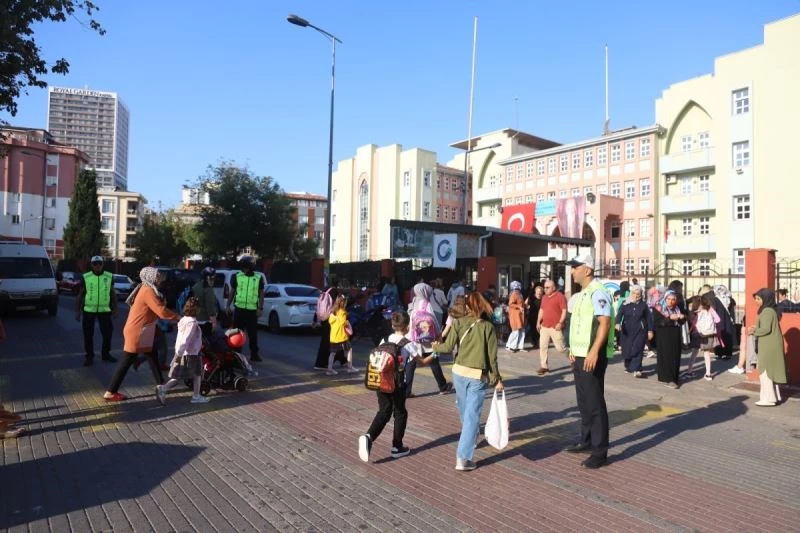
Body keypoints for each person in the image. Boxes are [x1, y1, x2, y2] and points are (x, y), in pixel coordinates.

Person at [432, 291, 503, 472]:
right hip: (477, 376)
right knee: (471, 416)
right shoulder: (488, 327)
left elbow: (448, 347)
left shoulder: (459, 322)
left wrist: (435, 347)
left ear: (469, 305)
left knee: (465, 411)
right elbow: (492, 358)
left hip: (458, 373)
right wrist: (496, 379)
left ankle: (471, 438)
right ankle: (463, 458)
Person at [563, 253, 614, 469]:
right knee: (584, 401)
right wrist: (573, 350)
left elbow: (604, 323)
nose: (572, 271)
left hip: (592, 355)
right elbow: (578, 326)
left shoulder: (597, 292)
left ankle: (600, 451)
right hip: (580, 354)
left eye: (576, 266)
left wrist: (593, 352)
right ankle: (586, 440)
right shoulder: (582, 294)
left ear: (588, 269)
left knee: (594, 403)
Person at [103, 267, 180, 401]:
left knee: (152, 355)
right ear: (150, 277)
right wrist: (179, 317)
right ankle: (110, 391)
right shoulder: (147, 291)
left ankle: (161, 385)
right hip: (137, 332)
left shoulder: (147, 288)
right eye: (157, 276)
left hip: (143, 330)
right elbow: (161, 311)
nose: (159, 278)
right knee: (126, 361)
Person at [358, 311, 421, 463]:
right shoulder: (408, 344)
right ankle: (397, 447)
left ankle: (368, 436)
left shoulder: (384, 340)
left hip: (381, 381)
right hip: (397, 384)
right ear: (407, 327)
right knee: (400, 413)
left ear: (392, 325)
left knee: (384, 411)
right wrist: (434, 354)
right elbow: (422, 361)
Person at [156, 297, 210, 405]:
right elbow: (186, 339)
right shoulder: (192, 323)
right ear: (196, 309)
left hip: (183, 352)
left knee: (179, 376)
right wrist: (180, 353)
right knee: (197, 374)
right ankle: (195, 396)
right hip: (191, 354)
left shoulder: (184, 320)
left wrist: (178, 353)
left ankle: (164, 388)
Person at [405, 282, 452, 397]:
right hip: (428, 339)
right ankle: (443, 387)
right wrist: (438, 335)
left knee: (411, 364)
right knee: (434, 362)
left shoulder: (413, 302)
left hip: (414, 339)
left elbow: (410, 320)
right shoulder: (427, 303)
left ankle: (406, 391)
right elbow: (433, 320)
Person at [747, 289, 788, 406]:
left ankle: (769, 399)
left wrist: (753, 330)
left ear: (765, 299)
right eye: (756, 298)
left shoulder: (767, 311)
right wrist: (756, 328)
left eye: (759, 299)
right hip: (770, 344)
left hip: (768, 345)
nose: (756, 301)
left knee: (766, 372)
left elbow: (765, 329)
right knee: (768, 372)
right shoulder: (769, 310)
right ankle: (770, 397)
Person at [75, 255, 118, 366]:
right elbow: (80, 295)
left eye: (99, 263)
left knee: (108, 333)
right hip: (89, 311)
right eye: (95, 263)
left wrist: (115, 308)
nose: (97, 265)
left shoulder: (109, 276)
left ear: (102, 264)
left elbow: (112, 293)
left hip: (104, 310)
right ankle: (89, 357)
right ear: (91, 265)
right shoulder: (86, 277)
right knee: (88, 335)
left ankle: (106, 354)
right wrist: (77, 311)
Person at [226, 255, 264, 363]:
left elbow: (261, 294)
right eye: (243, 267)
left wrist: (260, 308)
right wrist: (228, 305)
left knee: (253, 334)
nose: (243, 269)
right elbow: (232, 291)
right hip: (239, 309)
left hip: (252, 311)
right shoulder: (237, 276)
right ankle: (236, 354)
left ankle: (254, 354)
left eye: (245, 267)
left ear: (251, 267)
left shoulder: (258, 277)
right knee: (237, 333)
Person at [615, 285, 653, 378]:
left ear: (641, 295)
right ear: (631, 294)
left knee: (638, 349)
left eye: (638, 294)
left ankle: (637, 369)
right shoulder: (625, 303)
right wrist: (617, 323)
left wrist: (650, 330)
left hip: (640, 330)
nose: (636, 295)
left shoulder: (643, 305)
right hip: (626, 330)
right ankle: (629, 367)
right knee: (627, 349)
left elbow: (649, 318)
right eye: (634, 293)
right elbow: (619, 314)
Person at [653, 290, 686, 389]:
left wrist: (682, 317)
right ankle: (669, 379)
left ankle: (672, 377)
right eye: (669, 299)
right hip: (664, 335)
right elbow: (658, 322)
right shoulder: (659, 308)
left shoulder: (677, 308)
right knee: (666, 356)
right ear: (665, 298)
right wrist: (670, 318)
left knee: (675, 355)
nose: (671, 301)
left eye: (673, 299)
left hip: (675, 335)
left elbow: (683, 321)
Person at [684, 294, 720, 381]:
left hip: (697, 333)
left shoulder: (695, 310)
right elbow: (718, 319)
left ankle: (689, 371)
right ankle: (708, 374)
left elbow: (693, 322)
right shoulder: (710, 309)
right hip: (708, 334)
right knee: (706, 353)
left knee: (694, 352)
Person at [536, 279, 568, 376]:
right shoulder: (544, 297)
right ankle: (544, 367)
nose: (545, 289)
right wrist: (538, 322)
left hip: (555, 327)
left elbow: (564, 311)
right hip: (544, 326)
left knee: (560, 348)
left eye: (547, 287)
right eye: (544, 287)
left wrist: (560, 322)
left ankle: (573, 358)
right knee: (543, 347)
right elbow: (541, 310)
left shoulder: (560, 296)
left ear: (553, 288)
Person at [327, 295, 359, 375]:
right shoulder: (342, 312)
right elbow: (343, 323)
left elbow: (331, 322)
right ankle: (350, 367)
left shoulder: (333, 311)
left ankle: (329, 370)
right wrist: (347, 322)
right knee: (349, 349)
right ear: (343, 302)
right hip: (342, 336)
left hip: (334, 336)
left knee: (332, 353)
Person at [192, 266, 219, 339]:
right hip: (205, 321)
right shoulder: (208, 289)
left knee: (197, 341)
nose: (213, 281)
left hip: (195, 319)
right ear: (207, 278)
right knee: (207, 342)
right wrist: (214, 322)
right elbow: (210, 307)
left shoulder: (196, 286)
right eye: (212, 278)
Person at [506, 281, 525, 352]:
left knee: (522, 331)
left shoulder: (519, 294)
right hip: (515, 315)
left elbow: (520, 304)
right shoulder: (514, 294)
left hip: (520, 315)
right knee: (516, 331)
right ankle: (510, 346)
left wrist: (525, 306)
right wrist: (519, 307)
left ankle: (520, 346)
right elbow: (510, 304)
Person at [524, 282, 543, 349]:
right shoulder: (532, 298)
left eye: (540, 291)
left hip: (541, 317)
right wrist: (527, 307)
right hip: (532, 316)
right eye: (538, 291)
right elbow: (525, 303)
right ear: (535, 291)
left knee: (540, 330)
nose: (539, 293)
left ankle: (539, 342)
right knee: (533, 330)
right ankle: (535, 343)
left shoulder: (543, 298)